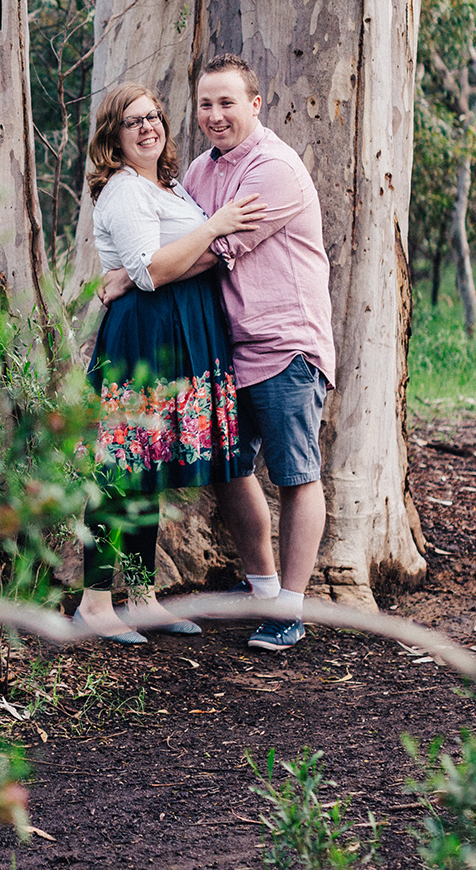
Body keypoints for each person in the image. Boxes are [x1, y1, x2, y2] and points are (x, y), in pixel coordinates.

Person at [106, 55, 335, 651]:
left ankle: (290, 606)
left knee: (296, 472)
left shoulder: (275, 169)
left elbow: (208, 252)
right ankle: (261, 588)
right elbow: (169, 238)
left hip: (285, 345)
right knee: (233, 470)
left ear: (255, 104)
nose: (214, 115)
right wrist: (143, 268)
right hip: (225, 349)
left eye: (227, 102)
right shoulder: (201, 173)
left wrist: (136, 277)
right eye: (205, 104)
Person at [79, 82, 266, 644]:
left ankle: (140, 599)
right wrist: (217, 224)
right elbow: (150, 270)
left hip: (174, 333)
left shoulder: (167, 187)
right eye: (132, 121)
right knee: (121, 469)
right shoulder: (125, 190)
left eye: (153, 117)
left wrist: (208, 229)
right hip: (143, 336)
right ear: (113, 136)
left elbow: (169, 262)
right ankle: (94, 603)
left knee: (149, 468)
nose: (147, 128)